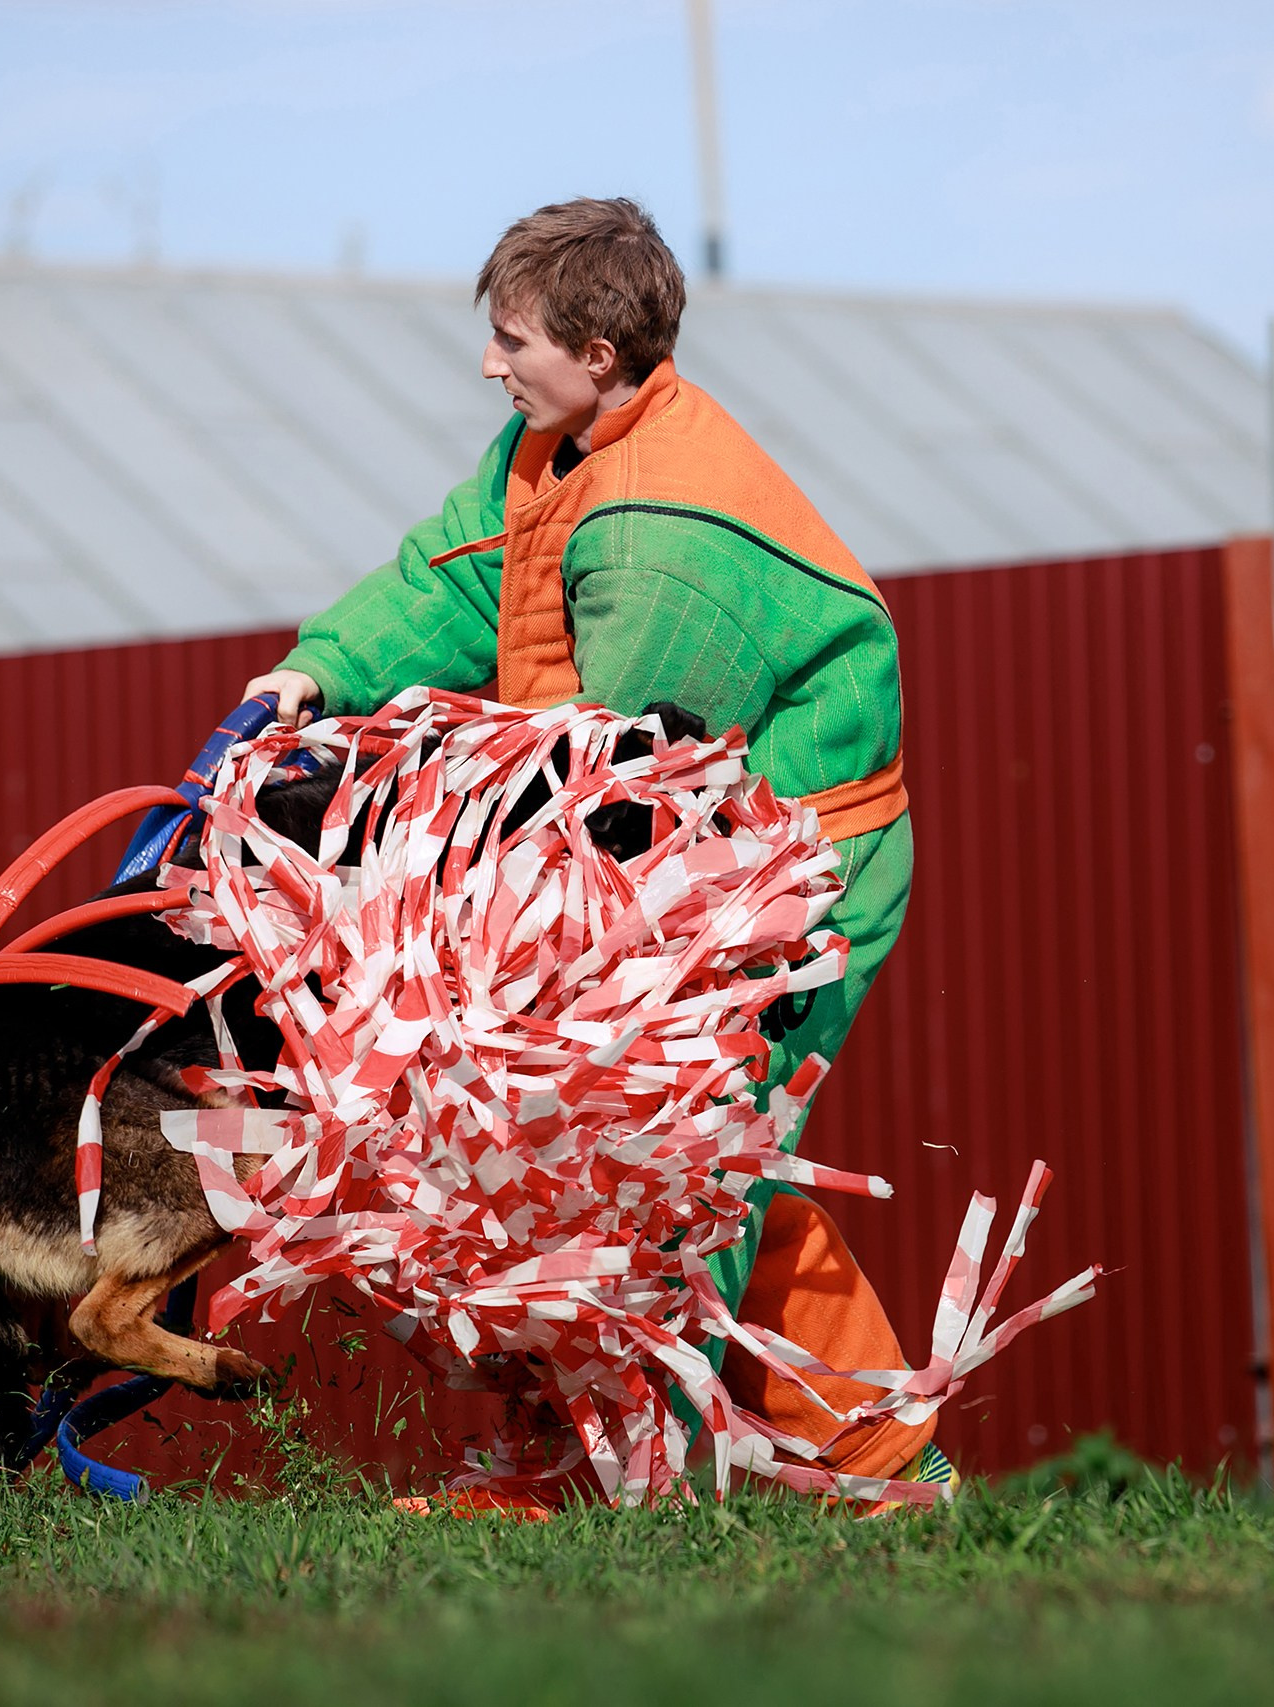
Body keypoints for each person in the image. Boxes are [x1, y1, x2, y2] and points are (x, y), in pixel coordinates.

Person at [242, 196, 944, 1501]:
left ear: (599, 356)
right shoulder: (551, 452)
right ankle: (858, 1462)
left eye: (511, 340)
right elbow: (444, 582)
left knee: (670, 1159)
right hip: (671, 843)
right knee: (615, 1152)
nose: (490, 365)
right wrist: (313, 677)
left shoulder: (666, 536)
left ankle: (638, 1473)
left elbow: (617, 776)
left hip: (786, 868)